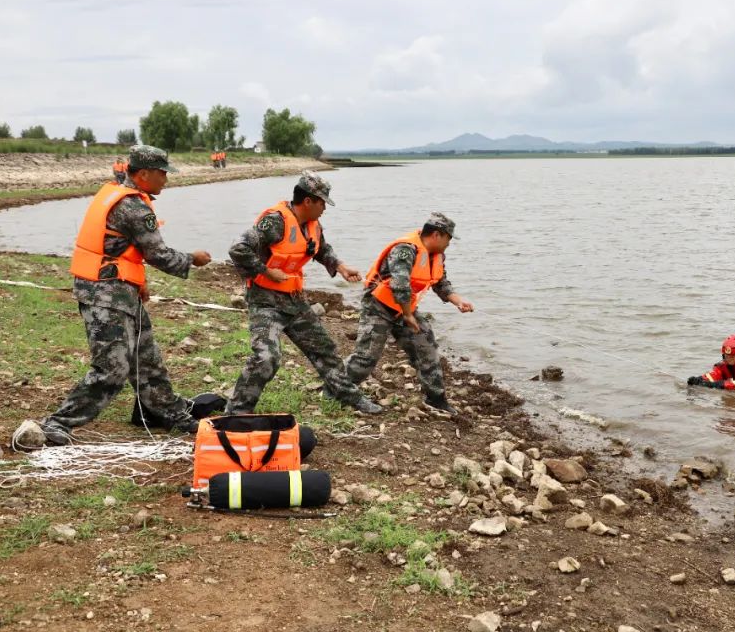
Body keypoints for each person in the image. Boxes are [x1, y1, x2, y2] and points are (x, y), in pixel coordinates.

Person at [38, 145, 213, 445]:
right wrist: (192, 259)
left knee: (146, 358)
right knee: (112, 367)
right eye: (162, 173)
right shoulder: (134, 207)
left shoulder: (117, 194)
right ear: (143, 174)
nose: (166, 179)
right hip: (105, 295)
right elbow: (158, 254)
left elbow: (119, 249)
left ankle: (168, 413)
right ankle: (57, 422)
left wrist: (138, 283)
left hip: (119, 290)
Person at [226, 171, 382, 416]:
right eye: (322, 202)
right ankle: (236, 412)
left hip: (295, 301)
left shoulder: (313, 224)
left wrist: (339, 266)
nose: (325, 208)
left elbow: (320, 248)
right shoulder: (275, 221)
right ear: (308, 201)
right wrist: (266, 271)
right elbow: (238, 248)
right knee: (267, 358)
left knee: (325, 349)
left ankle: (349, 397)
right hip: (265, 301)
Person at [344, 213, 474, 416]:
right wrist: (407, 315)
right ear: (438, 235)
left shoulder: (437, 255)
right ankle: (338, 390)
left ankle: (436, 399)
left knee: (426, 346)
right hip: (378, 306)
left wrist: (458, 301)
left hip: (405, 310)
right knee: (367, 356)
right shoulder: (405, 250)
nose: (449, 243)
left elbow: (440, 282)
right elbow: (400, 284)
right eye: (449, 238)